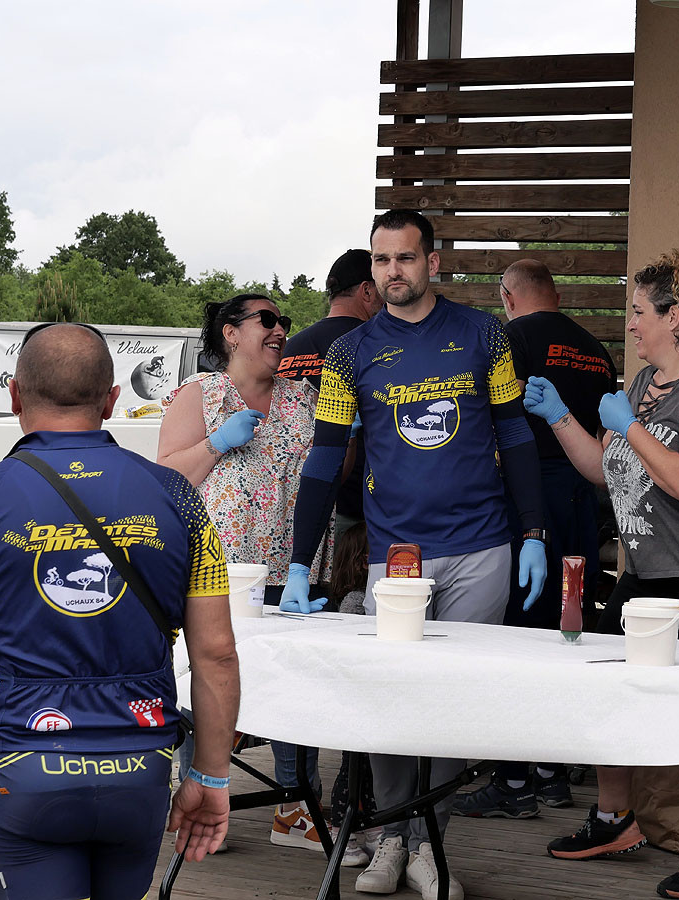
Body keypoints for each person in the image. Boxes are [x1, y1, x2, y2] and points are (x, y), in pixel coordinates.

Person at [281, 209, 549, 900]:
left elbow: (515, 433)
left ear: (432, 261)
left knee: (452, 703)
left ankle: (430, 843)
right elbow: (324, 459)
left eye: (404, 257)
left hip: (481, 545)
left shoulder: (484, 333)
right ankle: (390, 836)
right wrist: (301, 561)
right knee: (388, 698)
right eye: (381, 260)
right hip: (395, 557)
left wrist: (534, 533)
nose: (392, 271)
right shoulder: (349, 352)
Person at [525, 246, 679, 900]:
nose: (630, 323)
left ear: (674, 315)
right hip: (651, 568)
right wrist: (560, 416)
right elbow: (602, 473)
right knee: (606, 685)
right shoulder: (639, 385)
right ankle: (614, 819)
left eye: (638, 312)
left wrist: (630, 426)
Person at [0, 323, 239, 900]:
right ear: (111, 400)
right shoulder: (178, 496)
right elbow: (216, 654)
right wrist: (209, 775)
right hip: (140, 765)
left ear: (14, 395)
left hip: (21, 762)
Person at [157, 293, 334, 851]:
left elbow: (330, 471)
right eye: (267, 320)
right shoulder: (199, 394)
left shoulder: (304, 396)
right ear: (231, 333)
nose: (280, 329)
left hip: (295, 568)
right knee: (209, 686)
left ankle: (296, 810)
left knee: (296, 688)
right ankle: (198, 805)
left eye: (284, 321)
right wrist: (216, 442)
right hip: (221, 576)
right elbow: (165, 480)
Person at [452, 258, 617, 820]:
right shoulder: (595, 350)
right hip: (583, 495)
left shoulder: (510, 338)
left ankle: (514, 779)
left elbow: (494, 415)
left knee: (518, 634)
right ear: (556, 294)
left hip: (528, 498)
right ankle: (552, 773)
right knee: (566, 630)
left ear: (507, 296)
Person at [278, 249, 381, 539]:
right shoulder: (377, 344)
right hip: (361, 507)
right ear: (367, 290)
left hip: (296, 501)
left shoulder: (291, 348)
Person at [325, 521, 382, 867]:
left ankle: (372, 827)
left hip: (371, 700)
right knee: (352, 768)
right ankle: (339, 830)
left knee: (371, 769)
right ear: (364, 562)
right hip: (357, 699)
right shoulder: (356, 602)